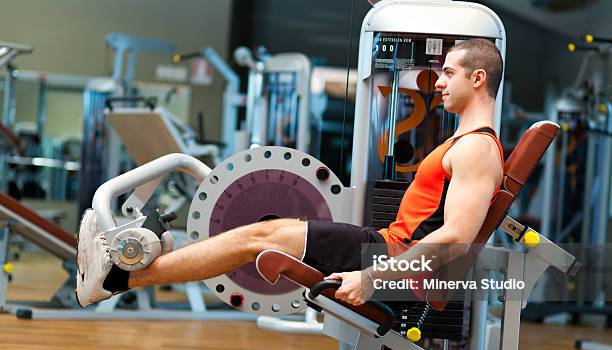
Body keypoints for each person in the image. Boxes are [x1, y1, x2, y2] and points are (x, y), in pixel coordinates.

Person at [76, 38, 504, 308]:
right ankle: (122, 275)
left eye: (449, 72)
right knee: (256, 234)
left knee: (257, 237)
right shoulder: (464, 144)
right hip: (387, 250)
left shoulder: (478, 149)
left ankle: (119, 277)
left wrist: (373, 277)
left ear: (478, 78)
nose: (439, 82)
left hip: (387, 258)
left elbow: (455, 238)